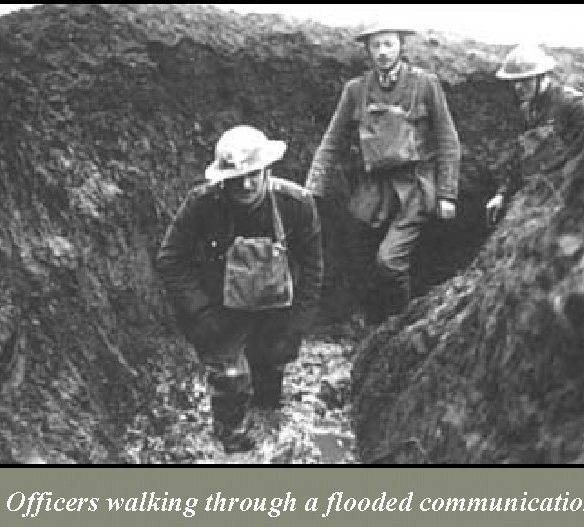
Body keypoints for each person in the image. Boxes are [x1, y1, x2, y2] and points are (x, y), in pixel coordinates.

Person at [156, 125, 323, 452]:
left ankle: (271, 447)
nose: (246, 185)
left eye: (254, 175)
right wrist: (201, 314)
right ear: (222, 179)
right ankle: (228, 448)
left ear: (267, 171)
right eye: (236, 178)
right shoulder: (202, 205)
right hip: (221, 312)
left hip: (276, 311)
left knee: (268, 380)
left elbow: (314, 268)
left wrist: (296, 327)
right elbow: (170, 259)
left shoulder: (296, 205)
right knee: (231, 381)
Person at [306, 24, 461, 323]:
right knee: (357, 249)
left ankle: (400, 326)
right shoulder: (356, 90)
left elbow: (447, 139)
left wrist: (447, 193)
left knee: (389, 262)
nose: (382, 52)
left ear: (401, 46)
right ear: (367, 50)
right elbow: (333, 140)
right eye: (375, 46)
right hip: (374, 188)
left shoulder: (425, 84)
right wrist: (314, 185)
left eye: (388, 44)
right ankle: (372, 320)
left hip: (415, 186)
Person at [486, 43, 584, 225]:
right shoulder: (528, 109)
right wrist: (501, 194)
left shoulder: (574, 105)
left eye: (525, 80)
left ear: (542, 76)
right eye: (514, 81)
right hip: (537, 192)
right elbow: (521, 157)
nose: (518, 87)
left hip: (568, 197)